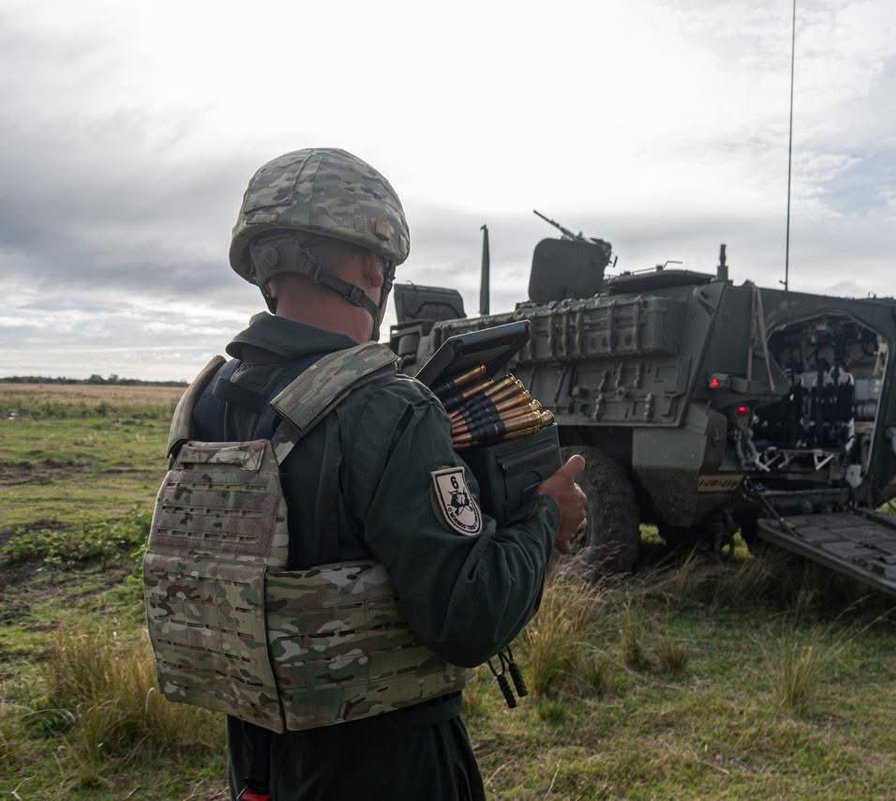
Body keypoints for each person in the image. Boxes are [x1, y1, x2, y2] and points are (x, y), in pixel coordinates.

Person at [158, 148, 587, 800]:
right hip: (391, 766)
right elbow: (470, 614)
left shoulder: (205, 400)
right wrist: (549, 515)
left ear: (265, 269)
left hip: (256, 762)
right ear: (371, 265)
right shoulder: (388, 406)